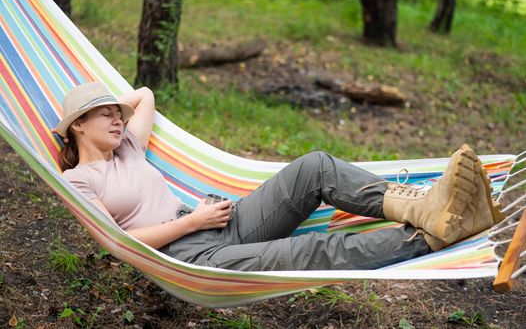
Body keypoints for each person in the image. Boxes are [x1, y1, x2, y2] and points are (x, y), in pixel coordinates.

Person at [54, 82, 503, 271]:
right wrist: (192, 223)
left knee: (316, 166)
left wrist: (110, 107)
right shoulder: (79, 180)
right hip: (188, 255)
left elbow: (145, 95)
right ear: (78, 124)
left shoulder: (128, 144)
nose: (118, 120)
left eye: (118, 114)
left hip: (215, 219)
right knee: (313, 248)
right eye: (105, 115)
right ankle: (434, 238)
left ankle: (422, 207)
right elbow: (116, 243)